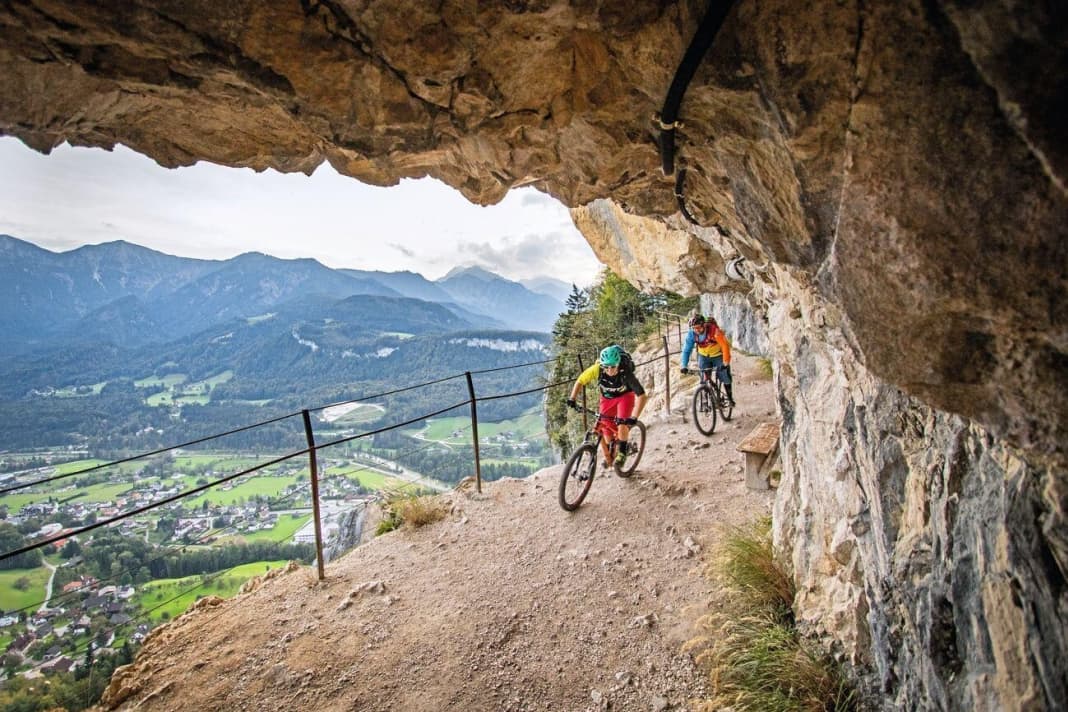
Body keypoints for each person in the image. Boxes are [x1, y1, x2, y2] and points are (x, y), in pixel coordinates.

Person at [565, 344, 648, 467]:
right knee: (605, 426)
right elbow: (580, 381)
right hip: (607, 398)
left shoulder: (626, 373)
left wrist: (634, 417)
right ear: (602, 365)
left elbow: (642, 396)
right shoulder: (597, 369)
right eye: (606, 367)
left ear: (618, 364)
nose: (610, 370)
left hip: (625, 397)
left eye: (613, 366)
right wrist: (572, 398)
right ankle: (611, 450)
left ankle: (622, 451)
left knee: (622, 424)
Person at [680, 313, 735, 406]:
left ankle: (730, 398)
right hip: (703, 356)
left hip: (718, 355)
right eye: (694, 328)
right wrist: (683, 365)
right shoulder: (691, 334)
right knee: (704, 379)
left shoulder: (714, 331)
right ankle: (705, 401)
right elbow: (686, 350)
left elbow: (724, 345)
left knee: (725, 376)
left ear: (704, 325)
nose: (696, 330)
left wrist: (725, 362)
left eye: (699, 327)